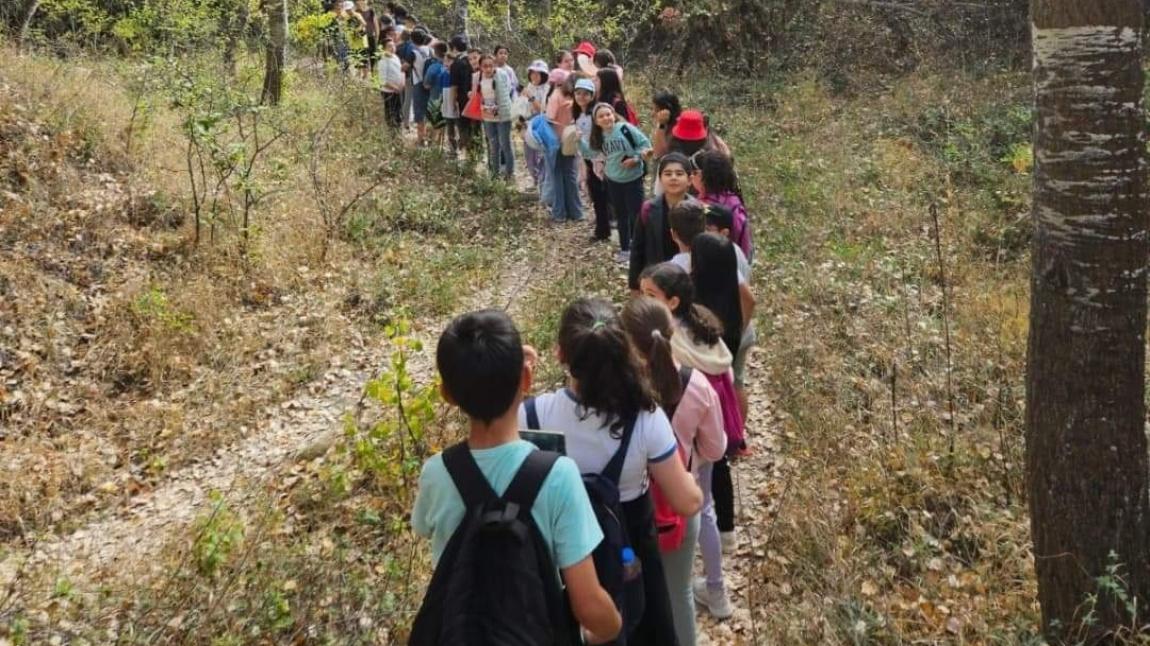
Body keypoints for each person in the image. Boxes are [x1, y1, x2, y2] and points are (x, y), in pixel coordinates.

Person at [411, 310, 622, 645]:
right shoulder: (558, 475)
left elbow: (423, 527)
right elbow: (588, 603)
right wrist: (612, 627)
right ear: (526, 380)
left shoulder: (436, 472)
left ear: (447, 395)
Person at [518, 298, 701, 646]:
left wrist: (518, 380)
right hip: (630, 549)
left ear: (560, 354)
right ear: (623, 349)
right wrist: (694, 484)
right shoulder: (645, 418)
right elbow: (685, 502)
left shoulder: (533, 415)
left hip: (560, 558)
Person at [638, 262, 746, 620]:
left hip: (661, 463)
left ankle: (663, 593)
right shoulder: (706, 330)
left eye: (649, 295)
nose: (642, 301)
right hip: (696, 460)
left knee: (661, 524)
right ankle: (717, 591)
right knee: (705, 514)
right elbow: (715, 448)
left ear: (671, 303)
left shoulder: (671, 354)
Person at [621, 296, 727, 646]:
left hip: (624, 510)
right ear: (672, 334)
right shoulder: (696, 386)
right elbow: (715, 449)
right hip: (678, 506)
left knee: (629, 593)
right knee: (678, 592)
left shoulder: (615, 390)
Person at [584, 103, 652, 263]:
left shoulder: (625, 129)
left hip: (633, 178)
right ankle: (625, 248)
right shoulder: (598, 136)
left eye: (608, 114)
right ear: (596, 121)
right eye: (601, 116)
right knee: (621, 215)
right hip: (613, 180)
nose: (606, 118)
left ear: (614, 114)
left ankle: (640, 247)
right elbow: (590, 153)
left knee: (636, 214)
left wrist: (635, 159)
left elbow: (646, 146)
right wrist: (577, 141)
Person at [629, 153, 698, 291]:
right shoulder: (648, 209)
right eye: (668, 174)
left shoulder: (698, 209)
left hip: (689, 281)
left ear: (690, 179)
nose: (673, 178)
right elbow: (638, 248)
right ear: (660, 179)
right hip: (656, 279)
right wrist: (634, 286)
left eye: (679, 173)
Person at [691, 149, 752, 262]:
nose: (691, 177)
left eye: (695, 173)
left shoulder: (707, 206)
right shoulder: (734, 202)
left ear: (705, 176)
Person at [572, 77, 610, 242]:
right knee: (596, 195)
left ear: (592, 95)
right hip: (586, 158)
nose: (581, 97)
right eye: (578, 93)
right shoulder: (578, 113)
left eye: (585, 94)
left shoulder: (596, 114)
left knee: (603, 195)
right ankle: (602, 228)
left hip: (599, 159)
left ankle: (605, 228)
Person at [546, 69, 581, 222]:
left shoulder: (556, 96)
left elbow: (549, 118)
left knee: (557, 175)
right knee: (570, 175)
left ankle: (559, 213)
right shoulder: (577, 98)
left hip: (556, 140)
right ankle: (576, 212)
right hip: (571, 139)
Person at [477, 53, 515, 180]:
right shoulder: (478, 77)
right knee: (493, 145)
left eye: (490, 65)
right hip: (487, 115)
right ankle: (495, 174)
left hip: (503, 115)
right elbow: (478, 95)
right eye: (485, 66)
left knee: (505, 144)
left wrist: (499, 108)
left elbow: (507, 91)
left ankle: (509, 174)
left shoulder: (502, 74)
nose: (488, 68)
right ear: (481, 67)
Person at [522, 59, 551, 189]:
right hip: (528, 122)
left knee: (540, 153)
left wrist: (531, 97)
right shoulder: (529, 86)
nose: (534, 76)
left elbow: (543, 109)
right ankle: (535, 178)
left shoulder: (547, 88)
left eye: (538, 73)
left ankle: (542, 180)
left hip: (540, 122)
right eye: (532, 73)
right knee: (529, 153)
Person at [448, 35, 475, 158]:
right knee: (474, 126)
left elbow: (454, 86)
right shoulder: (473, 60)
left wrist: (452, 102)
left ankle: (467, 154)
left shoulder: (456, 64)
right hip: (476, 98)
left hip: (462, 99)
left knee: (463, 126)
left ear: (453, 48)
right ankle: (475, 153)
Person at [409, 28, 434, 145]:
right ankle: (431, 138)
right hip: (430, 84)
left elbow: (405, 67)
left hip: (418, 84)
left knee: (419, 113)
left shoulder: (413, 53)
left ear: (412, 40)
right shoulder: (430, 50)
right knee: (430, 111)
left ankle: (420, 139)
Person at [378, 38, 404, 129]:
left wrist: (401, 84)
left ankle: (399, 130)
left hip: (398, 90)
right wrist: (394, 88)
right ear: (384, 48)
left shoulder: (396, 57)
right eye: (389, 46)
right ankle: (392, 132)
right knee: (390, 113)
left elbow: (401, 71)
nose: (392, 48)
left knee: (399, 112)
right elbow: (383, 81)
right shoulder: (383, 61)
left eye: (393, 45)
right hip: (389, 92)